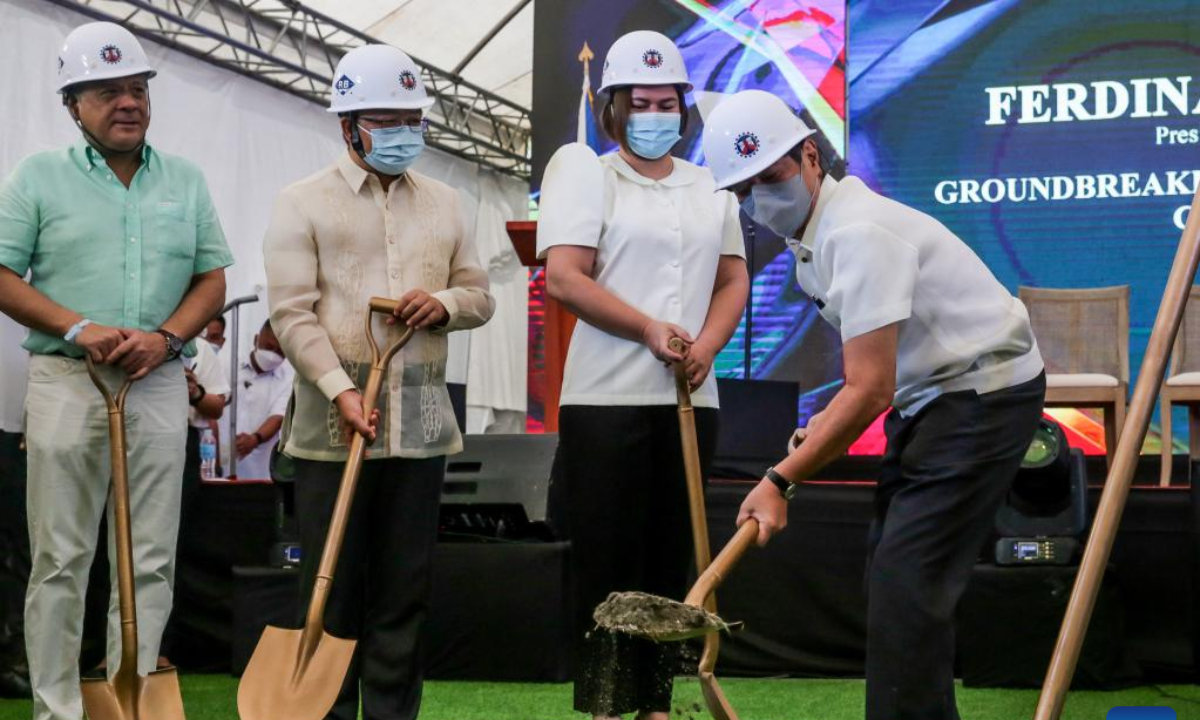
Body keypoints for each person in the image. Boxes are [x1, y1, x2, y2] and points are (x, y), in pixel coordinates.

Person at [703, 90, 1046, 720]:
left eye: (771, 178)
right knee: (895, 575)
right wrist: (821, 431)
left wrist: (779, 479)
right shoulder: (816, 239)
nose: (759, 201)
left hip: (983, 395)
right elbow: (874, 375)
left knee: (907, 582)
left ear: (810, 156)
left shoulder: (857, 232)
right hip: (932, 398)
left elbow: (869, 389)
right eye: (744, 191)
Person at [0, 21, 232, 720]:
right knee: (62, 558)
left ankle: (129, 702)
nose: (128, 102)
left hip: (159, 384)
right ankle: (57, 709)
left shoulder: (186, 180)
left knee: (152, 557)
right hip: (69, 382)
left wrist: (167, 339)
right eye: (107, 91)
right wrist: (77, 326)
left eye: (137, 89)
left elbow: (211, 281)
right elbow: (3, 275)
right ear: (73, 103)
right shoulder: (37, 176)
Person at [264, 43, 493, 720]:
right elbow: (289, 313)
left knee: (405, 588)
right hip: (331, 429)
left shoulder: (449, 203)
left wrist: (445, 305)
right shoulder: (300, 202)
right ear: (347, 125)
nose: (403, 133)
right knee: (330, 589)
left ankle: (392, 713)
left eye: (411, 119)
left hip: (419, 428)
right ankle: (327, 711)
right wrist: (341, 387)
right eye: (385, 120)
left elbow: (479, 294)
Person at [537, 30, 749, 720]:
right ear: (615, 108)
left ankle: (655, 704)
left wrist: (706, 345)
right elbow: (566, 278)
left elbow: (732, 278)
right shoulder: (585, 172)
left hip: (692, 397)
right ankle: (605, 704)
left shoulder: (711, 182)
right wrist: (649, 329)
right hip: (606, 400)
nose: (656, 114)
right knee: (607, 561)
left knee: (669, 561)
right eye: (642, 103)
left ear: (685, 107)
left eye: (667, 102)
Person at [220, 319, 291, 480]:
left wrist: (255, 439)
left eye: (280, 351)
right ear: (256, 340)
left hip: (259, 471)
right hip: (220, 464)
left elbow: (278, 418)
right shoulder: (227, 365)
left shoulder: (288, 380)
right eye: (269, 347)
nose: (273, 354)